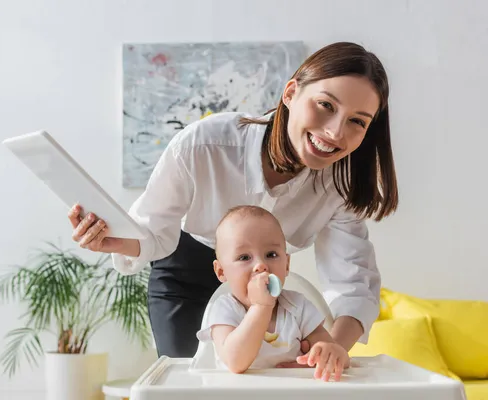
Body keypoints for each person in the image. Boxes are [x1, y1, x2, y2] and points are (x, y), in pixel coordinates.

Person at [68, 41, 398, 359]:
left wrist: (334, 349)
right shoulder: (204, 144)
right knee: (188, 386)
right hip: (185, 277)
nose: (335, 133)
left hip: (270, 291)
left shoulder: (341, 184)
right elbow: (152, 231)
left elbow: (353, 283)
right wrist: (112, 239)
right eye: (325, 105)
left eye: (357, 121)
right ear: (291, 93)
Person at [196, 205, 349, 381]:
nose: (261, 265)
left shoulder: (298, 307)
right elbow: (235, 361)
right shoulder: (224, 309)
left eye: (271, 254)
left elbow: (335, 354)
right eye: (244, 257)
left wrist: (331, 353)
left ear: (286, 265)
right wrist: (261, 307)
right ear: (221, 271)